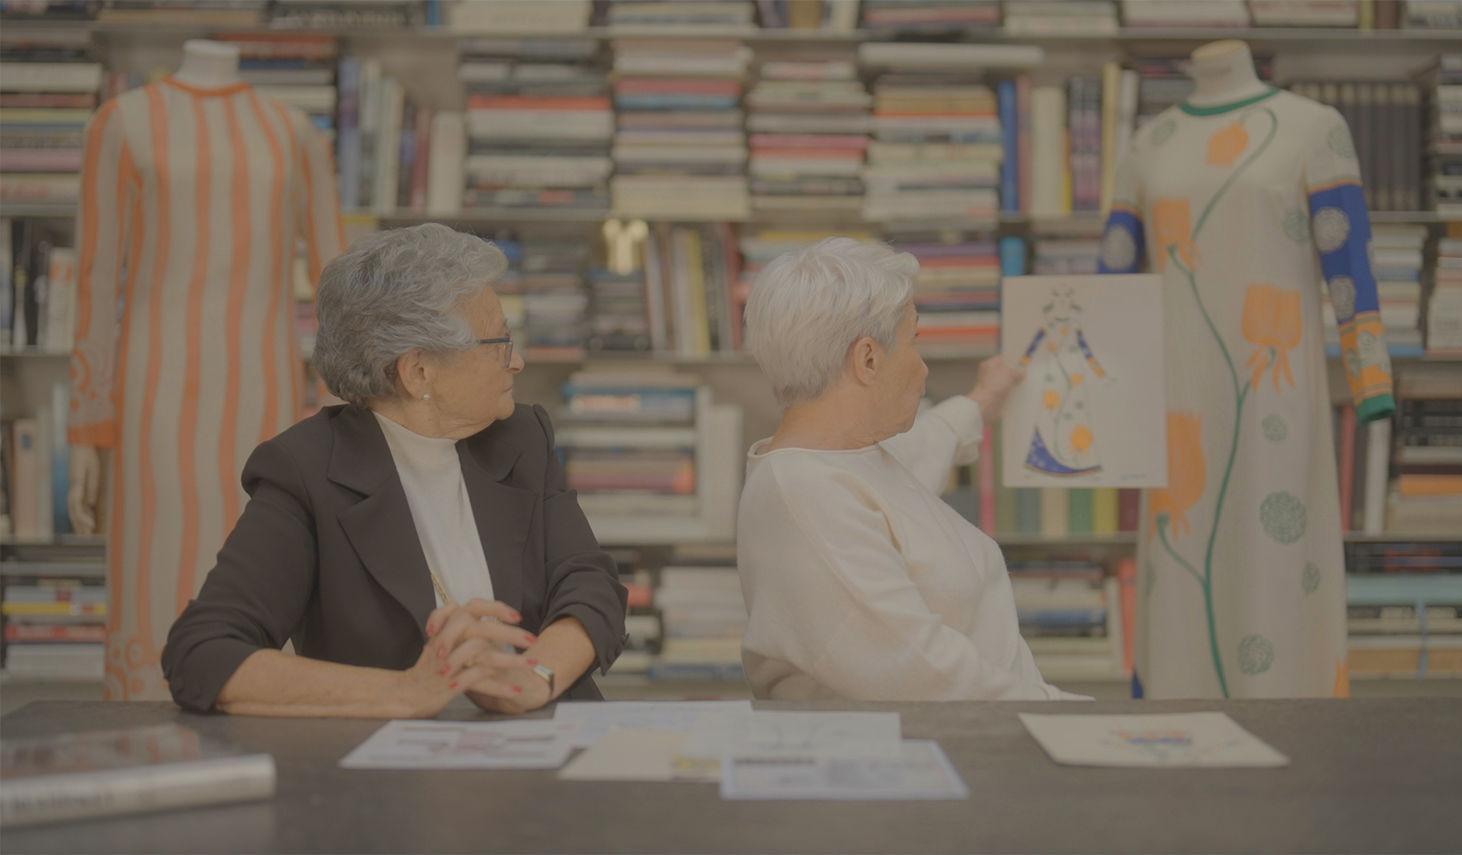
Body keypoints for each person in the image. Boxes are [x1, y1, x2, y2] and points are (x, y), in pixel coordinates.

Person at [162, 224, 626, 717]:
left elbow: (591, 584)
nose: (518, 362)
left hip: (545, 740)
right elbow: (202, 654)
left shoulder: (521, 437)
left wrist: (533, 677)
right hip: (391, 773)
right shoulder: (306, 471)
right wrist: (406, 692)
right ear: (418, 371)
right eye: (500, 343)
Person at [737, 237, 1085, 701]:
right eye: (914, 341)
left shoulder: (847, 458)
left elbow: (922, 448)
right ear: (868, 359)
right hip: (942, 744)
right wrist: (1069, 716)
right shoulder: (802, 493)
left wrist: (981, 402)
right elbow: (923, 673)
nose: (922, 368)